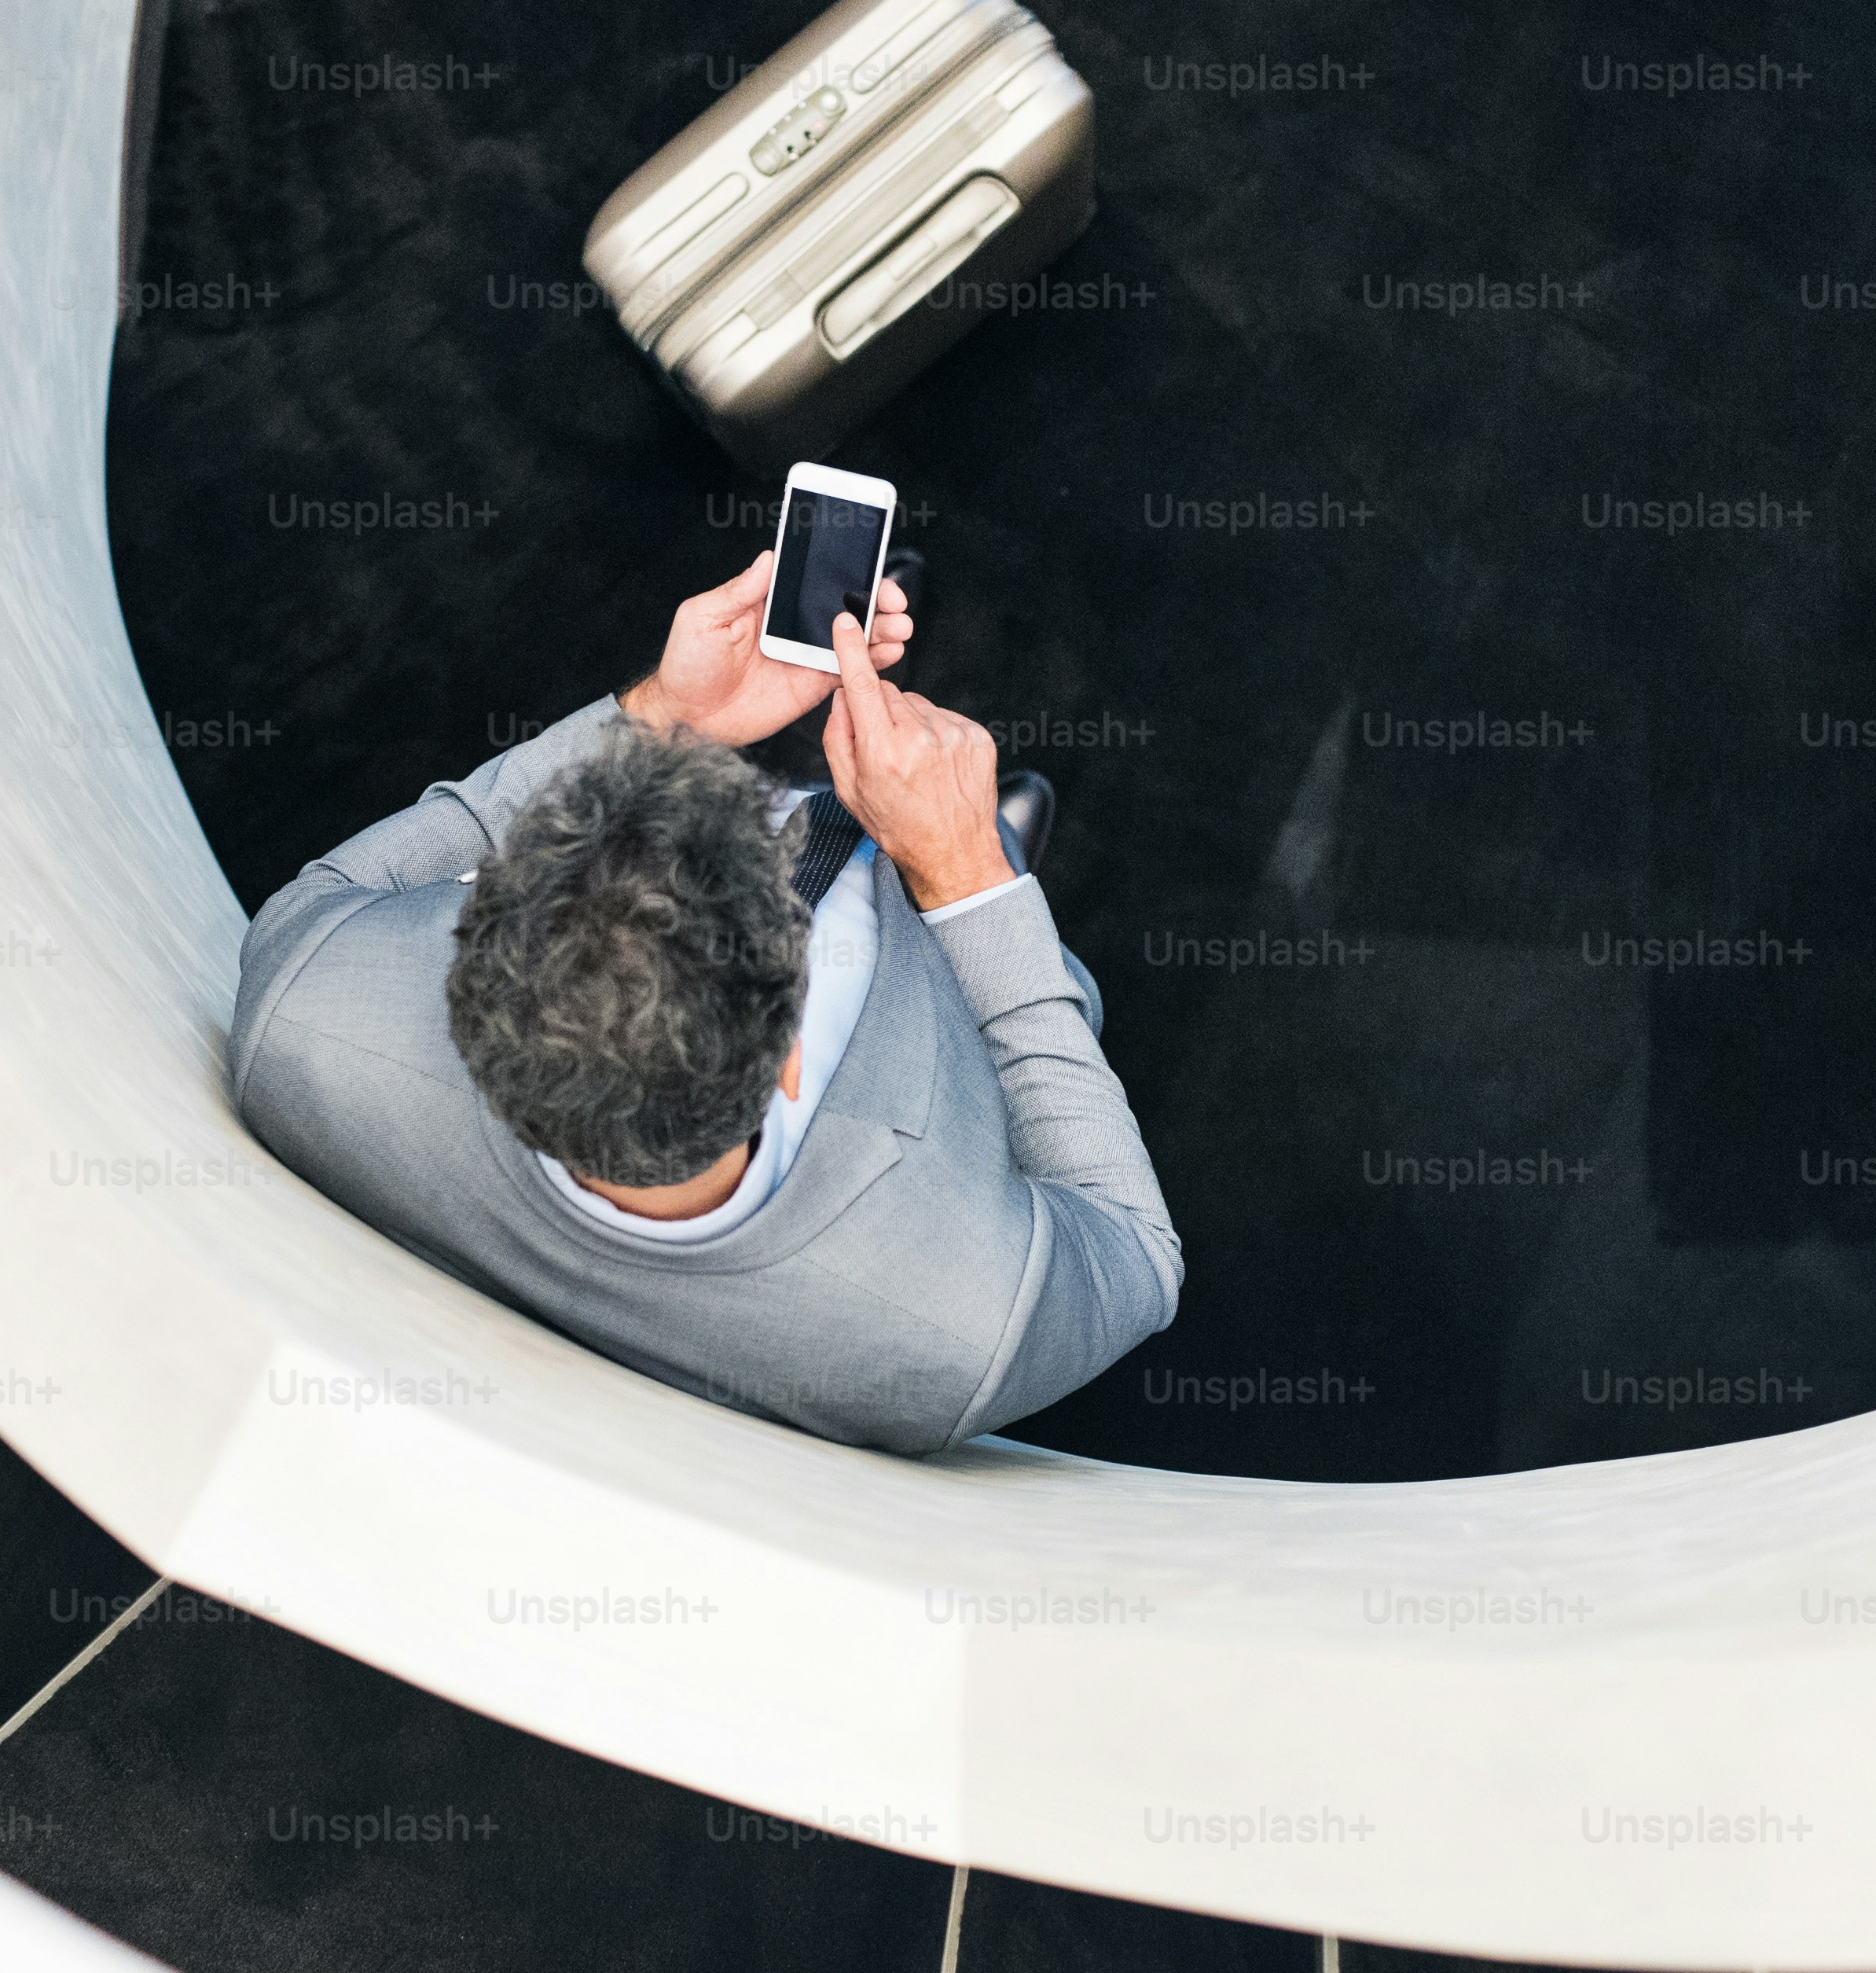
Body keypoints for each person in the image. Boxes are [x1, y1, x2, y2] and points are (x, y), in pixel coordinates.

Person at [227, 551, 1179, 1454]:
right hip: (957, 979)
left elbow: (363, 879)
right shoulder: (968, 1326)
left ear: (475, 972)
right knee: (1017, 947)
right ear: (788, 1063)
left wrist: (657, 716)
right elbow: (1134, 1246)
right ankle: (996, 843)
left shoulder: (305, 1014)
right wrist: (969, 875)